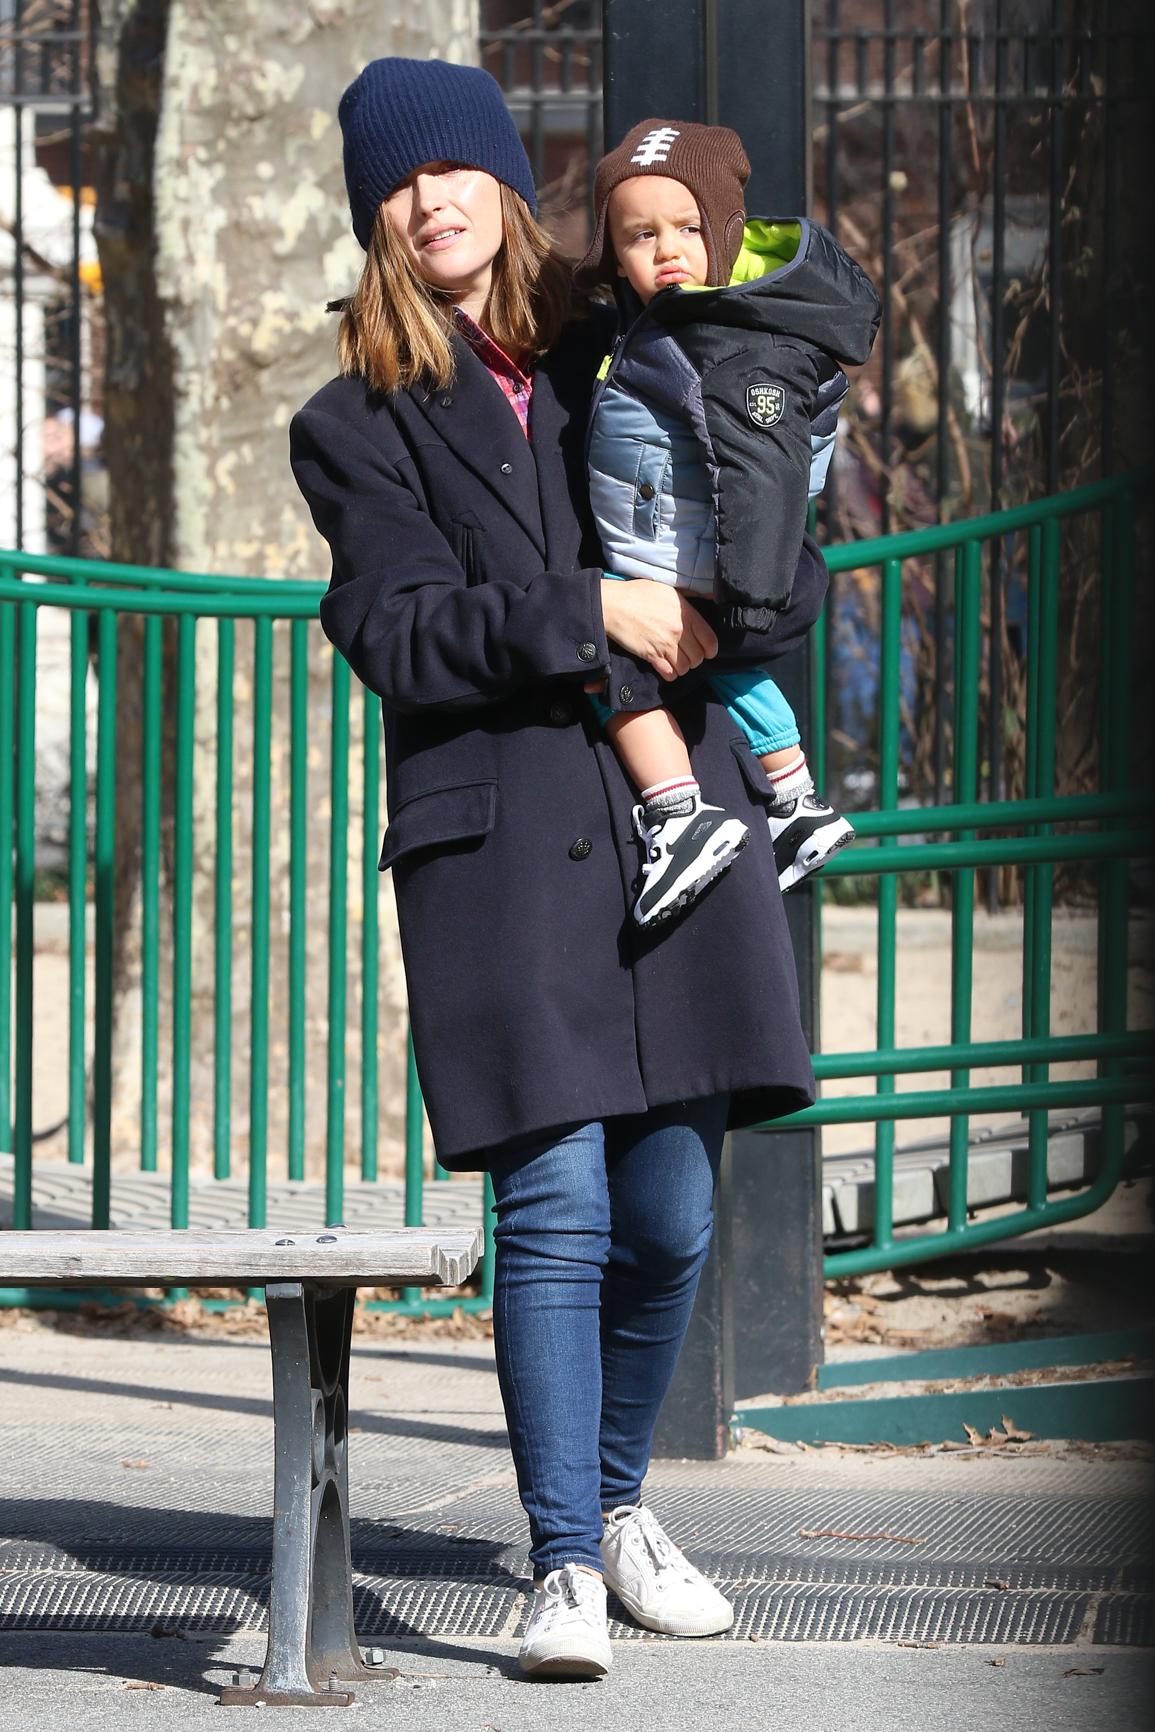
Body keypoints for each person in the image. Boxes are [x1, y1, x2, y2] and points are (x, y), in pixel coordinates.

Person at [290, 57, 824, 1682]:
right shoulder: (353, 418)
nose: (431, 198)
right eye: (398, 183)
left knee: (671, 1213)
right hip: (509, 835)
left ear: (512, 182)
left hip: (681, 818)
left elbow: (758, 508)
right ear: (376, 218)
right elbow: (394, 631)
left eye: (457, 167)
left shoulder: (627, 341)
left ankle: (606, 1500)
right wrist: (580, 613)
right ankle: (569, 1557)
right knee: (561, 1201)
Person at [578, 119, 880, 925]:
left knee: (606, 648)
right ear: (612, 249)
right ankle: (793, 797)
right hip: (691, 549)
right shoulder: (685, 323)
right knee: (730, 672)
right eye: (640, 235)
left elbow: (764, 471)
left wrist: (751, 594)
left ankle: (677, 814)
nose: (666, 250)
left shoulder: (727, 341)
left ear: (725, 232)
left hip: (700, 561)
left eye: (686, 229)